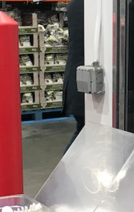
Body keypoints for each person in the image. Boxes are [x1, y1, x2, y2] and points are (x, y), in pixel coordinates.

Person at [63, 0, 85, 150]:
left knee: (83, 131)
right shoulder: (86, 5)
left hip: (78, 80)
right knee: (84, 132)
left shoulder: (77, 3)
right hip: (84, 82)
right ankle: (63, 173)